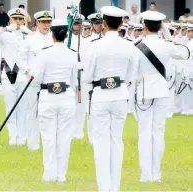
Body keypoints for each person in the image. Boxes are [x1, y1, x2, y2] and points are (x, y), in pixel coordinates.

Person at [83, 6, 136, 191]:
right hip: (120, 95)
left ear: (103, 23)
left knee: (101, 143)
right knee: (117, 142)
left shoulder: (94, 45)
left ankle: (104, 187)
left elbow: (87, 76)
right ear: (121, 23)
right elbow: (131, 75)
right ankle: (114, 187)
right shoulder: (129, 45)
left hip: (100, 95)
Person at [132, 10, 189, 182]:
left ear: (144, 25)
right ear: (161, 26)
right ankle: (156, 174)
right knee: (158, 132)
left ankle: (145, 175)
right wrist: (168, 36)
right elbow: (185, 53)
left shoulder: (137, 44)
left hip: (143, 91)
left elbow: (132, 73)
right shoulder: (166, 44)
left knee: (144, 133)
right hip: (162, 91)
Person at [34, 18, 77, 182]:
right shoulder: (73, 55)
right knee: (64, 137)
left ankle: (49, 174)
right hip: (66, 97)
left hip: (48, 97)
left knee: (48, 137)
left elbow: (37, 78)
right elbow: (74, 81)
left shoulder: (45, 53)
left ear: (52, 35)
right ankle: (61, 175)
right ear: (66, 35)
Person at [0, 8, 32, 146]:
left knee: (23, 108)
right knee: (10, 107)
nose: (18, 22)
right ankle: (13, 137)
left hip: (23, 74)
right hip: (8, 73)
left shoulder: (29, 36)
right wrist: (6, 28)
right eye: (15, 19)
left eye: (20, 19)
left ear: (24, 20)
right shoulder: (6, 34)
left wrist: (29, 32)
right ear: (11, 20)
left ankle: (22, 138)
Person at [24, 10, 54, 150]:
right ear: (37, 23)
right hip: (33, 82)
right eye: (43, 22)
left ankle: (49, 144)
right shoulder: (30, 39)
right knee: (32, 113)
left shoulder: (55, 39)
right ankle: (33, 144)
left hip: (51, 83)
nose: (46, 25)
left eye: (48, 22)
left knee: (50, 114)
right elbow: (21, 59)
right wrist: (28, 70)